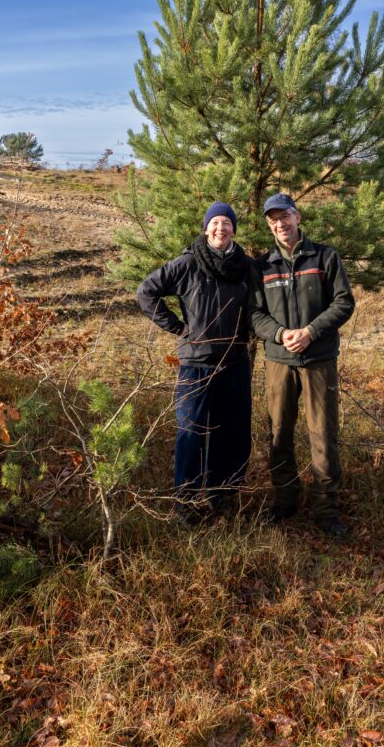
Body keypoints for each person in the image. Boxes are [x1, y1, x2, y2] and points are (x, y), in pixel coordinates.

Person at [137, 202, 251, 521]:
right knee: (192, 431)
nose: (221, 228)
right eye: (215, 222)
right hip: (197, 363)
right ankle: (185, 503)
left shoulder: (245, 266)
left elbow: (259, 308)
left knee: (232, 433)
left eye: (227, 223)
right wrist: (177, 327)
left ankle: (223, 496)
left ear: (234, 230)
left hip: (235, 362)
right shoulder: (188, 263)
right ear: (205, 228)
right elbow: (146, 292)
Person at [248, 193, 355, 536]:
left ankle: (326, 509)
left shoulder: (324, 257)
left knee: (323, 435)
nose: (280, 224)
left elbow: (343, 303)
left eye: (285, 216)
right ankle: (285, 501)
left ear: (297, 217)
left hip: (318, 360)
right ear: (269, 225)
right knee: (279, 433)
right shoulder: (262, 266)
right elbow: (253, 313)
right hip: (279, 361)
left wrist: (311, 332)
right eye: (273, 219)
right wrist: (279, 334)